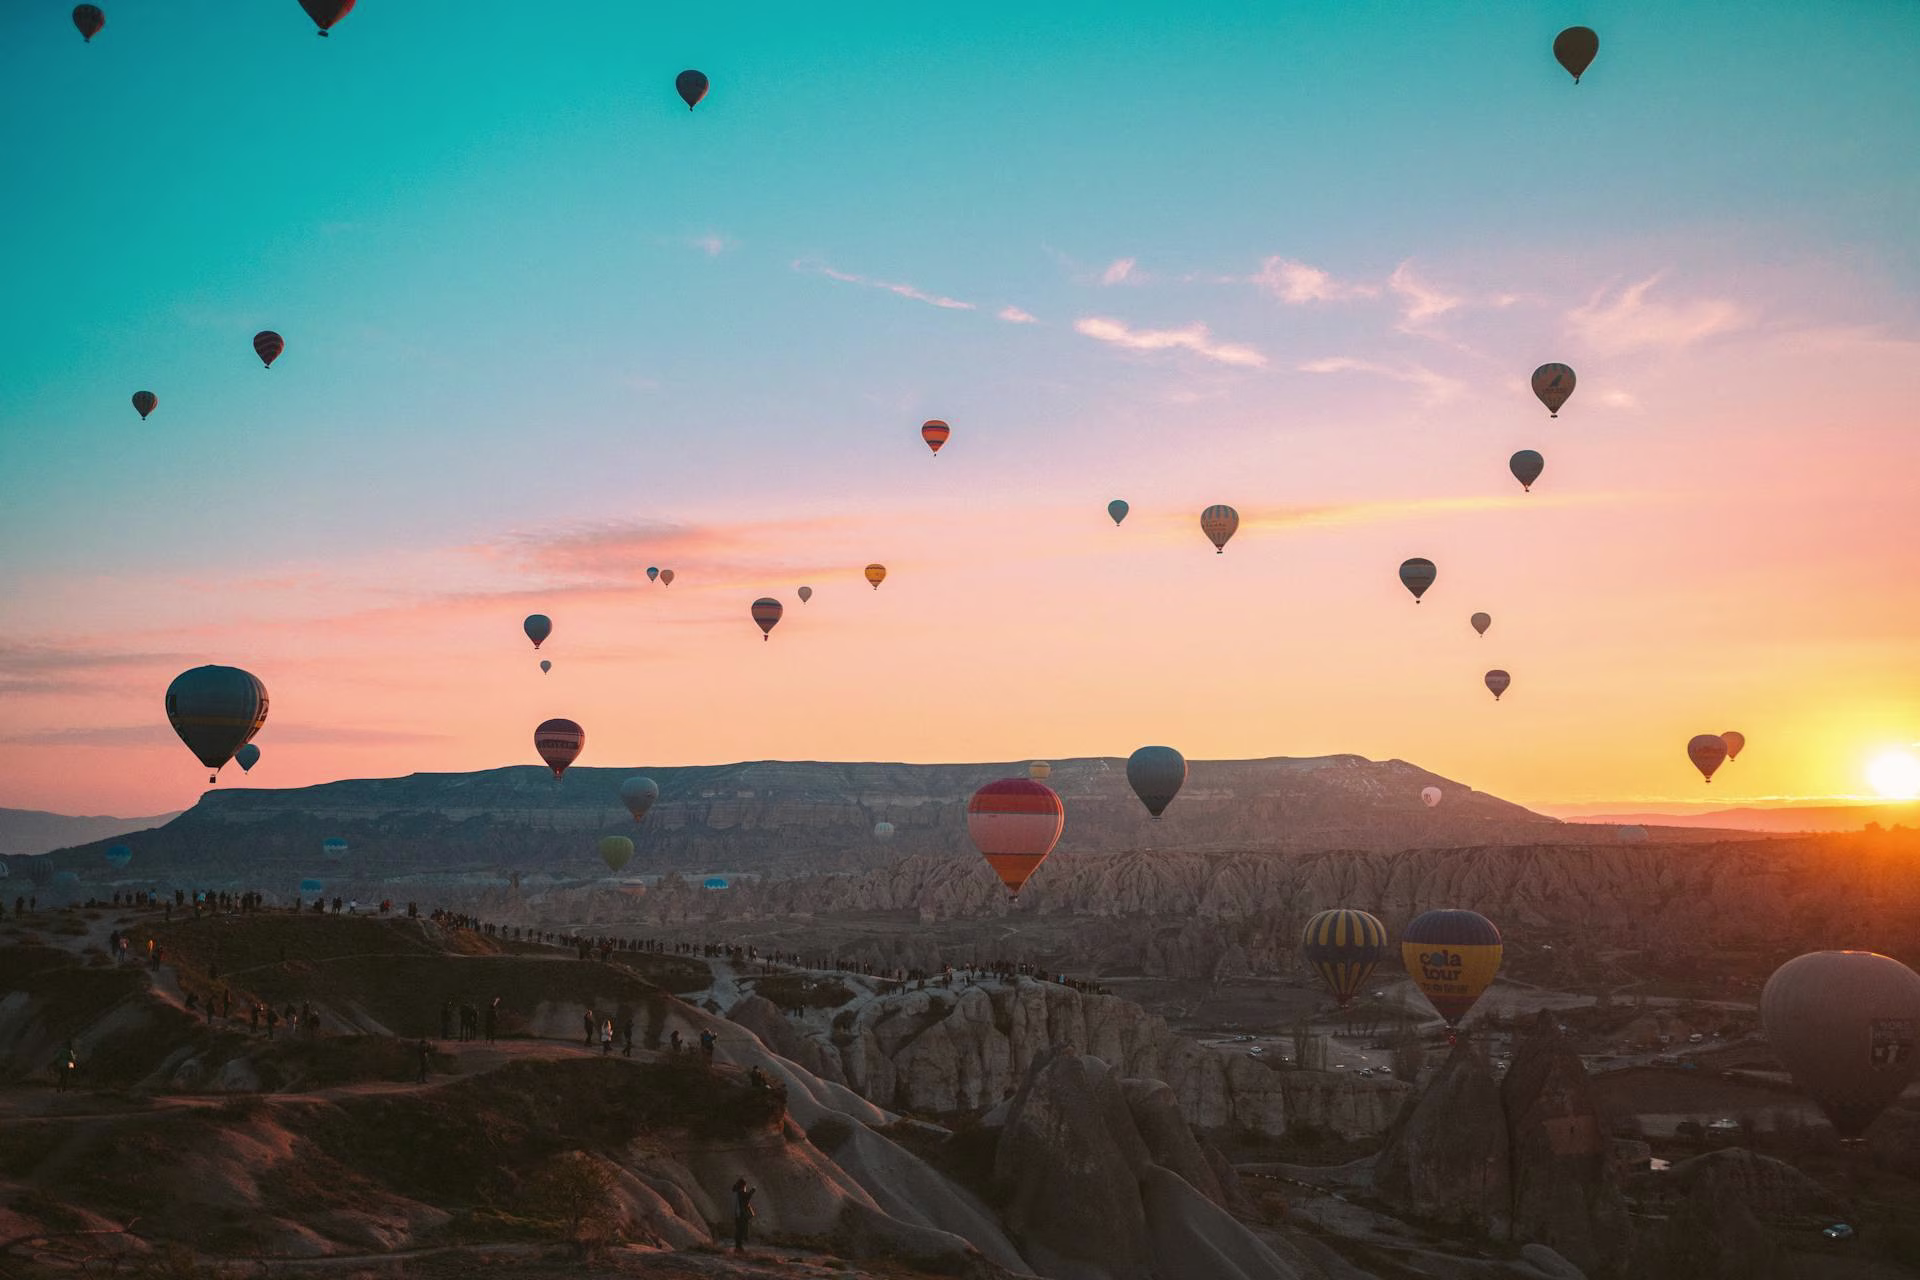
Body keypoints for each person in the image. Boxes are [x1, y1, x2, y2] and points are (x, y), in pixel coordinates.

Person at [731, 1177, 756, 1253]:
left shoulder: (736, 1192)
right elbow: (747, 1198)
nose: (745, 1187)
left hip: (738, 1214)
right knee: (740, 1230)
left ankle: (738, 1247)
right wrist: (753, 1190)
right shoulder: (740, 1192)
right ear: (742, 1185)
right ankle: (739, 1247)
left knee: (739, 1230)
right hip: (741, 1215)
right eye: (745, 1185)